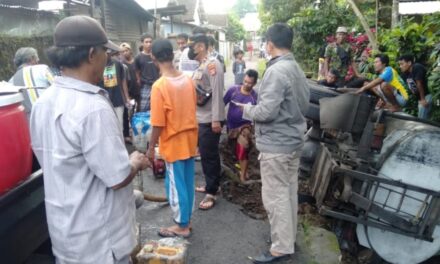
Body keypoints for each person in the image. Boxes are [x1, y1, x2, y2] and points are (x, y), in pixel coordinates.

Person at [29, 15, 150, 264]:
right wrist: (135, 161)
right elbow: (117, 177)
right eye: (106, 51)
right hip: (100, 243)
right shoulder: (93, 107)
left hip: (66, 235)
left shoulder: (43, 102)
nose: (109, 58)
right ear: (93, 54)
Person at [239, 23, 310, 263]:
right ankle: (286, 239)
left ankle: (280, 248)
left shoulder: (275, 71)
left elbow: (267, 112)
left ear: (270, 43)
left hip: (277, 146)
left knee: (276, 197)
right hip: (293, 142)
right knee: (289, 193)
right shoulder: (296, 68)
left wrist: (247, 109)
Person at [147, 39, 198, 238]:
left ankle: (181, 225)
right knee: (186, 181)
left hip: (174, 142)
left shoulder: (159, 86)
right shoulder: (188, 80)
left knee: (175, 185)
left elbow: (158, 123)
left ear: (153, 57)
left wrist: (151, 147)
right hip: (190, 139)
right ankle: (186, 219)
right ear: (171, 54)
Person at [190, 34, 225, 210]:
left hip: (210, 118)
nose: (190, 48)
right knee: (205, 154)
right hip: (201, 117)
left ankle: (212, 192)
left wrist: (216, 119)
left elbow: (218, 92)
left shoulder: (213, 64)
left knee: (210, 156)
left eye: (193, 45)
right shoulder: (202, 65)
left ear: (201, 46)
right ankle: (210, 184)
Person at [223, 69, 258, 183]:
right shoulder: (233, 91)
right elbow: (222, 103)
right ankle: (242, 169)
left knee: (243, 147)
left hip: (245, 127)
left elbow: (258, 113)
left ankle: (242, 176)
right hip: (231, 127)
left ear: (254, 83)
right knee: (235, 150)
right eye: (245, 81)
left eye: (250, 83)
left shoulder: (254, 97)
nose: (247, 84)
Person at [9, 47, 54, 117]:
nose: (38, 60)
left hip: (27, 123)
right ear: (32, 58)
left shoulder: (11, 82)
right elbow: (58, 87)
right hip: (49, 116)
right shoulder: (42, 69)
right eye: (37, 58)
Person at [98, 50, 129, 130]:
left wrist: (127, 98)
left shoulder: (117, 64)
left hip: (117, 100)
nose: (106, 54)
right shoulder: (97, 65)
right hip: (103, 101)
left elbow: (123, 81)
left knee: (119, 126)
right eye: (105, 52)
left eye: (108, 53)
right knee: (106, 127)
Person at [398, 54, 432, 119]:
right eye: (399, 64)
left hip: (427, 96)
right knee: (422, 119)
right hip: (420, 99)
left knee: (422, 120)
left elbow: (419, 83)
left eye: (402, 64)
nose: (400, 66)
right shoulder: (405, 74)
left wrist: (422, 99)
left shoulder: (416, 67)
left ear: (409, 63)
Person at [135, 33, 160, 112]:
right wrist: (139, 80)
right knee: (144, 108)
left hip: (158, 84)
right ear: (142, 43)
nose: (149, 44)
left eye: (150, 42)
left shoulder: (156, 55)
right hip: (145, 86)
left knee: (158, 107)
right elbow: (137, 71)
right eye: (146, 42)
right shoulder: (138, 57)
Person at [120, 42, 139, 142]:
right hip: (128, 92)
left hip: (138, 90)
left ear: (130, 51)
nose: (125, 53)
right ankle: (127, 134)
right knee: (127, 114)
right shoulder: (121, 65)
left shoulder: (136, 61)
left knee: (139, 112)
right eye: (122, 52)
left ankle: (138, 131)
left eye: (126, 50)